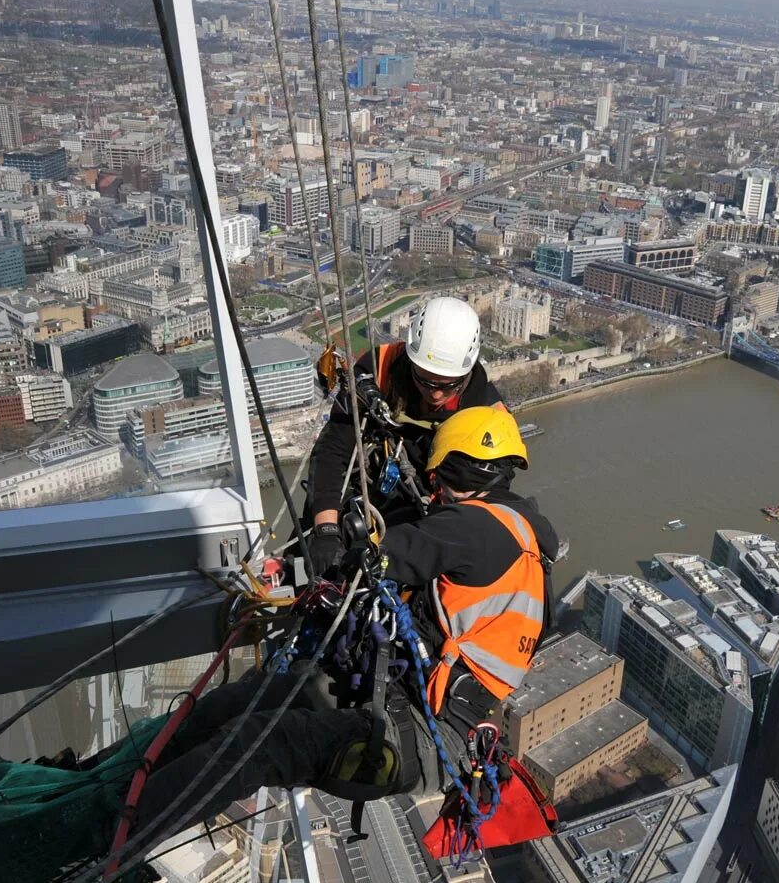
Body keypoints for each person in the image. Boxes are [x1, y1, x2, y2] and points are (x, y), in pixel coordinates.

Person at [128, 405, 558, 829]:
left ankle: (119, 825)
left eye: (437, 482)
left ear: (454, 473)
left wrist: (325, 548)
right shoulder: (532, 555)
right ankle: (114, 790)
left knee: (259, 744)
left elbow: (380, 556)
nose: (434, 496)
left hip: (413, 737)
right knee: (242, 703)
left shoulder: (477, 526)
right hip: (415, 718)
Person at [301, 296, 505, 576]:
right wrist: (326, 530)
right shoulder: (379, 370)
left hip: (434, 520)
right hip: (369, 500)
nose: (434, 393)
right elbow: (333, 449)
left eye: (447, 386)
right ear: (410, 359)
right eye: (425, 379)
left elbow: (494, 493)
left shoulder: (487, 413)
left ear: (467, 373)